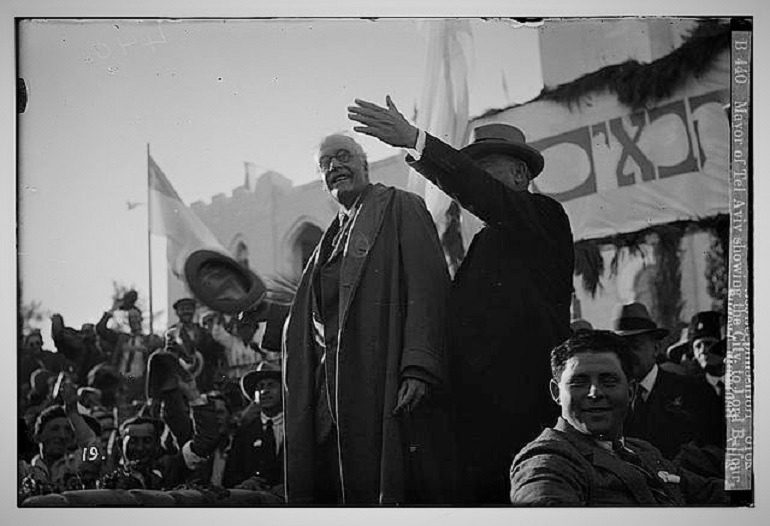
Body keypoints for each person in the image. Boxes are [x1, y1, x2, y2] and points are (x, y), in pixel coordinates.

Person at [348, 96, 574, 502]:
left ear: (521, 174)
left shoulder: (543, 215)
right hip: (477, 420)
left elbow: (485, 195)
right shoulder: (486, 241)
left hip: (522, 415)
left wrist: (416, 141)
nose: (475, 180)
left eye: (485, 171)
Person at [282, 133, 452, 504]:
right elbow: (317, 320)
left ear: (365, 164)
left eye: (343, 157)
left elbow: (428, 286)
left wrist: (418, 366)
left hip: (383, 380)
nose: (335, 167)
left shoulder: (399, 207)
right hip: (331, 397)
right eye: (325, 164)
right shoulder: (325, 243)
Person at [509, 330, 727, 506]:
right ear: (556, 393)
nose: (595, 393)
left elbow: (707, 491)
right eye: (579, 382)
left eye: (608, 381)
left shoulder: (643, 451)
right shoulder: (550, 459)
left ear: (631, 392)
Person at [615, 303, 724, 459]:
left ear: (656, 348)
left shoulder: (694, 391)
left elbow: (716, 450)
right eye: (620, 348)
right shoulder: (612, 399)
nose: (626, 355)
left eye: (634, 346)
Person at [166, 298, 227, 393]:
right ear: (177, 312)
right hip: (183, 381)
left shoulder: (203, 331)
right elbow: (169, 355)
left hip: (204, 380)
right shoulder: (172, 332)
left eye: (189, 308)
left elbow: (215, 352)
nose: (186, 311)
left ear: (194, 310)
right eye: (182, 309)